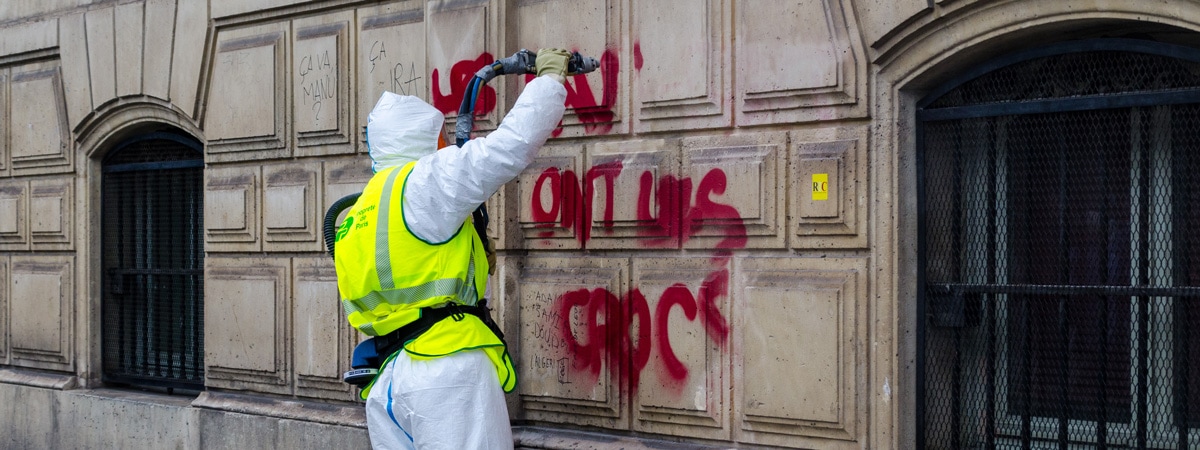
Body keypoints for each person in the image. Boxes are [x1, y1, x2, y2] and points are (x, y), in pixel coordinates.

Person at [333, 48, 572, 450]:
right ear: (425, 138)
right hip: (447, 373)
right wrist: (549, 81)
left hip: (388, 382)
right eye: (442, 136)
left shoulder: (358, 214)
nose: (448, 144)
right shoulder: (425, 180)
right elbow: (508, 146)